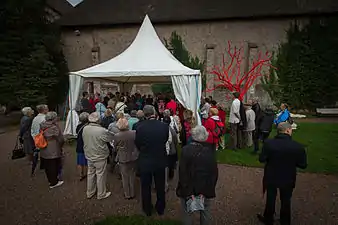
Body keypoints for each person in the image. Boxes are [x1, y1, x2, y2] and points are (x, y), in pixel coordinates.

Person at [257, 122, 307, 225]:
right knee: (286, 199)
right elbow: (303, 165)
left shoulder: (268, 143)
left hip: (272, 175)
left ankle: (268, 218)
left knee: (270, 197)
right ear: (288, 130)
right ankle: (285, 221)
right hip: (288, 176)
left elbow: (262, 159)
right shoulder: (297, 147)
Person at [176, 125, 218, 225]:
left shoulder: (186, 150)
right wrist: (210, 186)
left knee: (187, 212)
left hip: (189, 187)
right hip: (204, 187)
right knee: (205, 211)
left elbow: (182, 171)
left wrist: (185, 188)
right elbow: (214, 173)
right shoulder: (210, 152)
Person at [135, 105, 169, 216]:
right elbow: (164, 140)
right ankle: (160, 208)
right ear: (154, 112)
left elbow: (138, 144)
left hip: (146, 160)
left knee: (146, 186)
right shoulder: (164, 126)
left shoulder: (139, 127)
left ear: (145, 114)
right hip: (159, 159)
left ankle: (147, 209)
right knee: (160, 186)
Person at [82, 112, 114, 200]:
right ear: (98, 120)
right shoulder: (101, 130)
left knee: (91, 174)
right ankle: (101, 194)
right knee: (100, 175)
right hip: (100, 155)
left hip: (89, 154)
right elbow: (110, 138)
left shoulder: (85, 128)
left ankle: (90, 192)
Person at [114, 118, 139, 199]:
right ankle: (132, 193)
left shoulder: (117, 136)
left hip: (123, 157)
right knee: (132, 175)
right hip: (133, 155)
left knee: (124, 177)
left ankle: (127, 194)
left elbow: (115, 147)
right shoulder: (134, 133)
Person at [40, 111, 65, 189]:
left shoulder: (42, 125)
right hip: (53, 148)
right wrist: (61, 145)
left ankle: (50, 180)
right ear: (53, 118)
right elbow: (60, 139)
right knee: (53, 165)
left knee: (48, 165)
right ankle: (54, 182)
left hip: (44, 147)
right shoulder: (54, 127)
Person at [76, 112, 89, 181]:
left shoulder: (78, 126)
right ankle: (87, 174)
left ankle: (80, 175)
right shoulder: (88, 127)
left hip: (79, 145)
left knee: (80, 161)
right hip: (87, 145)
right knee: (87, 161)